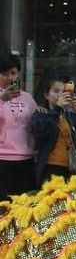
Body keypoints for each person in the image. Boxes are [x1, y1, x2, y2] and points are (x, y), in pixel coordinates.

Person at [30, 76, 76, 186]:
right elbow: (42, 132)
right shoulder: (41, 114)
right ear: (46, 95)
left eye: (63, 92)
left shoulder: (70, 116)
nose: (60, 95)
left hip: (71, 168)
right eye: (56, 91)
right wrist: (57, 109)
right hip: (50, 167)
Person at [0, 53, 37, 200]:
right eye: (4, 74)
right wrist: (2, 100)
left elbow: (36, 124)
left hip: (26, 159)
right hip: (2, 160)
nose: (10, 78)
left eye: (13, 73)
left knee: (25, 207)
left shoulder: (27, 98)